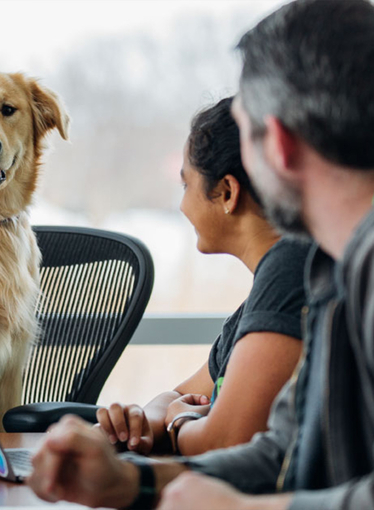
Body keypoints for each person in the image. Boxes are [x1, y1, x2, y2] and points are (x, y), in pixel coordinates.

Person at [27, 0, 374, 509]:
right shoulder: (330, 268)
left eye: (245, 129)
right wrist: (133, 484)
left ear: (277, 142)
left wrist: (239, 506)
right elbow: (285, 453)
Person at [96, 97, 309, 457]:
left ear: (227, 192)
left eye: (186, 185)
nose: (182, 206)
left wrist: (180, 423)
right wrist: (144, 421)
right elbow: (178, 395)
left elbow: (223, 443)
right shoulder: (258, 300)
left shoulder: (289, 270)